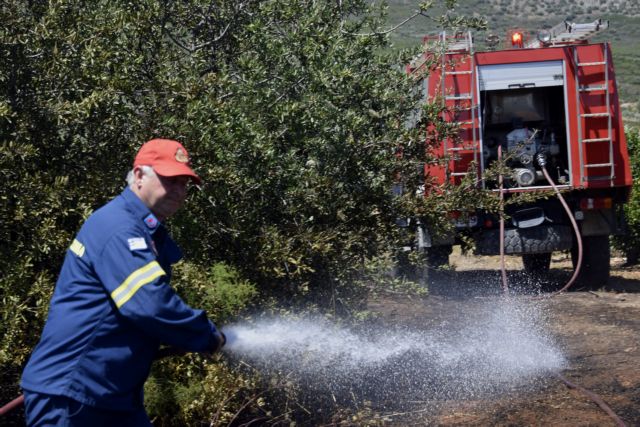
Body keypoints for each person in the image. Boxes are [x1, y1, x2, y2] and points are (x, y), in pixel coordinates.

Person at [20, 139, 225, 426]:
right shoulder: (119, 228)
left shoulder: (143, 230)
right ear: (139, 176)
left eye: (183, 183)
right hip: (74, 394)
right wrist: (203, 334)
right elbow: (150, 304)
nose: (178, 190)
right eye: (169, 179)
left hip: (111, 396)